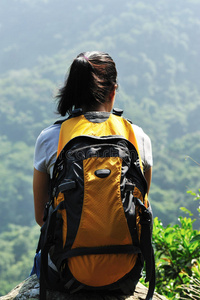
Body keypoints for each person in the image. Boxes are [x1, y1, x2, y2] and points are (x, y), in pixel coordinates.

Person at [32, 51, 153, 294]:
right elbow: (143, 204)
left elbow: (41, 218)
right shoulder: (137, 136)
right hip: (126, 270)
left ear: (73, 91)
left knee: (39, 262)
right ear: (113, 90)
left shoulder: (50, 139)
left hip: (68, 272)